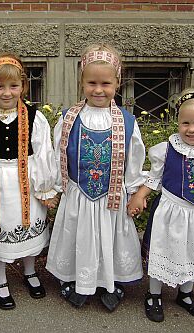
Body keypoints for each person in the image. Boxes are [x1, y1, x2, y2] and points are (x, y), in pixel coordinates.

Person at [46, 44, 147, 312]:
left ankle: (111, 281)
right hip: (78, 193)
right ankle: (74, 279)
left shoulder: (127, 121)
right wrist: (55, 187)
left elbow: (133, 158)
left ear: (118, 82)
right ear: (82, 82)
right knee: (79, 236)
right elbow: (59, 154)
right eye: (91, 83)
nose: (98, 89)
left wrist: (135, 191)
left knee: (110, 238)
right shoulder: (69, 118)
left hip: (111, 196)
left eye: (105, 83)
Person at [127, 89, 194, 322]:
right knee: (162, 252)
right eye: (185, 122)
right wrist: (139, 196)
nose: (191, 129)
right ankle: (153, 294)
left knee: (192, 251)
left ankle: (185, 294)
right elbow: (154, 178)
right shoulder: (166, 150)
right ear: (177, 122)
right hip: (170, 212)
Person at [0, 53, 58, 310]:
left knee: (29, 230)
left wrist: (46, 187)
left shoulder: (34, 117)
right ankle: (0, 279)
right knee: (0, 230)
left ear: (23, 87)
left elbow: (43, 153)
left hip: (27, 181)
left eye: (13, 86)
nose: (7, 93)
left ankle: (29, 271)